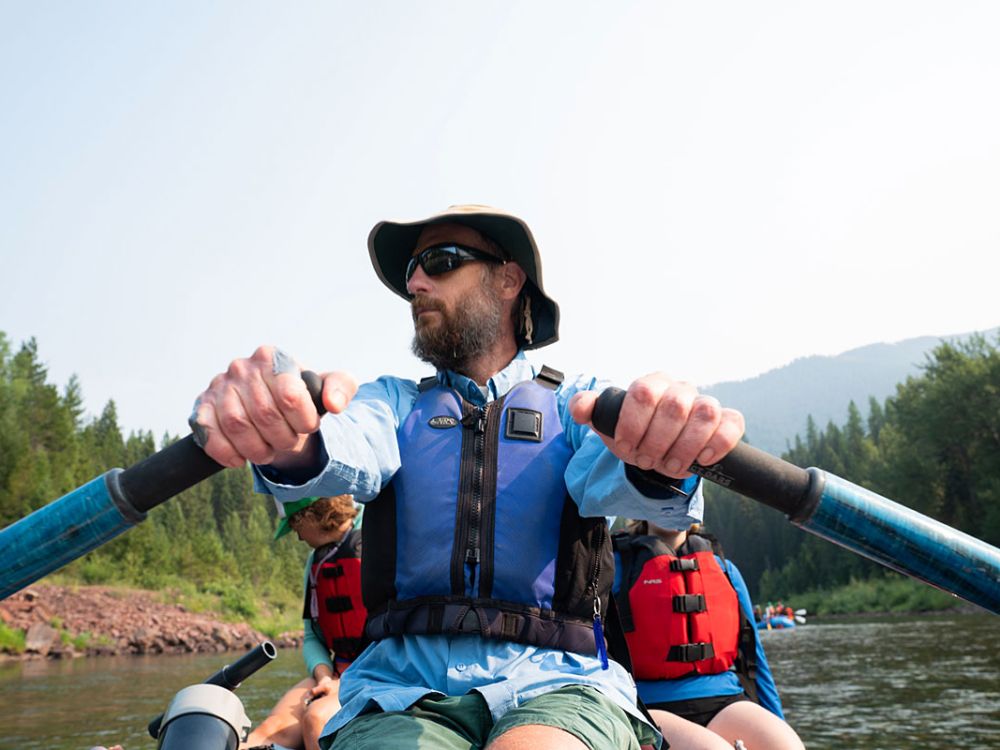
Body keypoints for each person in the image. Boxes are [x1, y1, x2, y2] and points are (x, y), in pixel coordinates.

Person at [189, 204, 747, 750]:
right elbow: (336, 448)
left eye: (441, 261)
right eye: (411, 272)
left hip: (560, 683)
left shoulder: (579, 406)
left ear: (508, 280)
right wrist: (287, 435)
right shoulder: (391, 404)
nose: (416, 284)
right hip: (398, 693)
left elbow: (642, 489)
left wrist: (662, 457)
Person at [613, 520, 804, 750]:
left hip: (725, 701)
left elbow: (757, 660)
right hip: (649, 705)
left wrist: (777, 721)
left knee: (787, 745)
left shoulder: (725, 569)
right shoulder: (616, 567)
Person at [246, 494, 366, 750]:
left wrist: (342, 684)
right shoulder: (316, 562)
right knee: (268, 731)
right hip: (337, 670)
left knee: (316, 719)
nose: (297, 536)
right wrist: (324, 677)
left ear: (310, 515)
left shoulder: (377, 534)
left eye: (295, 525)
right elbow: (312, 636)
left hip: (379, 672)